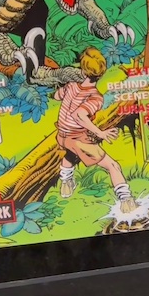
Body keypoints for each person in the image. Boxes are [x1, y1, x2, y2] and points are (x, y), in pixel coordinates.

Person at [55, 47, 137, 213]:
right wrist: (100, 133)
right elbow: (79, 114)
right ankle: (127, 202)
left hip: (62, 135)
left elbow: (57, 96)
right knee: (113, 166)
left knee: (71, 154)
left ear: (83, 70)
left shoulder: (71, 86)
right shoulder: (95, 97)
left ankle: (66, 184)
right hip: (77, 139)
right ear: (101, 73)